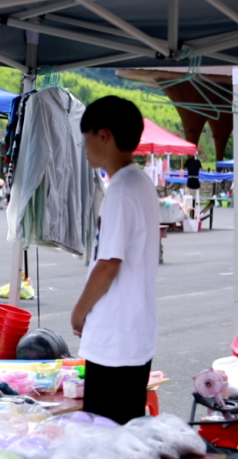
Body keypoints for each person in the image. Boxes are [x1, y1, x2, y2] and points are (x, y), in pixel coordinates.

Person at [71, 96, 159, 425]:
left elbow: (109, 264)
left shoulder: (121, 190)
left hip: (115, 340)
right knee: (124, 436)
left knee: (105, 438)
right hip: (134, 334)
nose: (84, 146)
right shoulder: (141, 183)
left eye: (86, 137)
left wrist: (80, 311)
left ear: (103, 136)